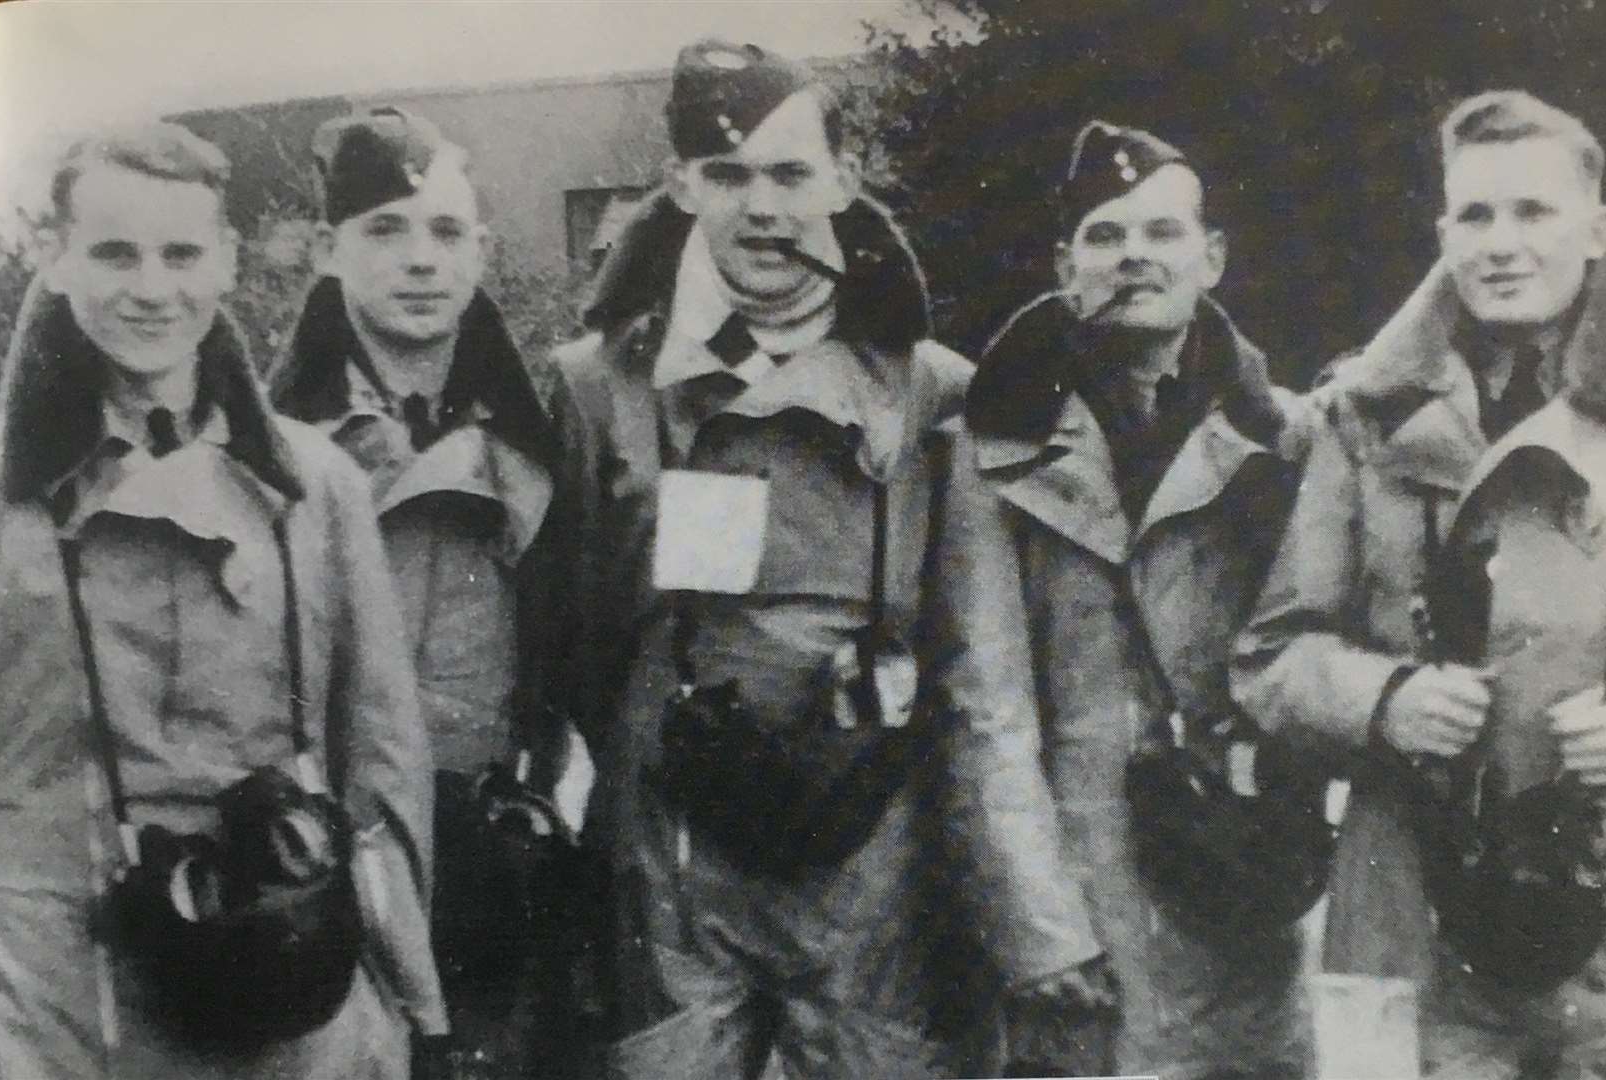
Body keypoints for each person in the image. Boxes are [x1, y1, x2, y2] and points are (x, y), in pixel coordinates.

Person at [534, 38, 988, 1079]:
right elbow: (576, 636)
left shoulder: (932, 390)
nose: (763, 208)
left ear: (845, 180)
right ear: (681, 185)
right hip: (676, 864)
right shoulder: (598, 389)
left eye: (790, 173)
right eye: (727, 175)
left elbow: (968, 643)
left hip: (873, 857)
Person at [0, 123, 443, 1079]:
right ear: (55, 258)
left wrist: (411, 999)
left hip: (290, 981)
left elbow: (382, 758)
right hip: (57, 1005)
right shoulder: (1, 490)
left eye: (183, 253)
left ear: (230, 263)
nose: (152, 290)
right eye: (114, 253)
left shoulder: (313, 484)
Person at [1234, 89, 1606, 1074]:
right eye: (1474, 215)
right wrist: (1384, 697)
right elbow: (1270, 657)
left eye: (1532, 212)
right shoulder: (1363, 419)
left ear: (1596, 228)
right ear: (1441, 231)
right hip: (1406, 905)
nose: (1500, 243)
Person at [943, 120, 1316, 1079]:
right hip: (1086, 900)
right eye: (1105, 236)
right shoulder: (993, 446)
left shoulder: (1284, 439)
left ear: (1212, 258)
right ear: (1065, 264)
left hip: (1235, 882)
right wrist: (1038, 927)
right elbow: (983, 704)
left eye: (1161, 233)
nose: (1133, 258)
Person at [269, 108, 571, 1080]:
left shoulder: (539, 443)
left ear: (481, 250)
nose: (419, 262)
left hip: (498, 873)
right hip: (336, 881)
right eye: (384, 230)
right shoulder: (271, 459)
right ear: (327, 249)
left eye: (445, 232)